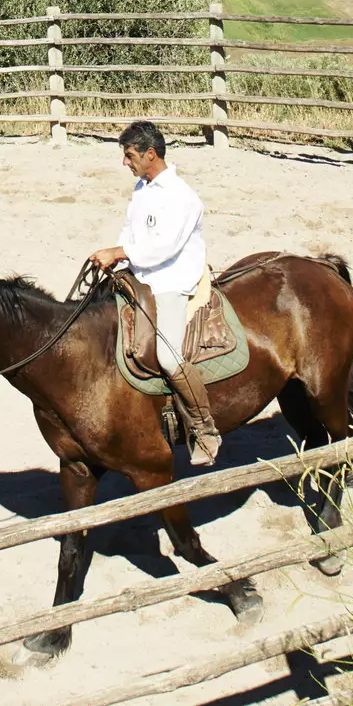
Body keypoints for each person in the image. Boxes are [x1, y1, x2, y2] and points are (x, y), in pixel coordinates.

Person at [90, 118, 221, 463]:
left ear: (150, 154)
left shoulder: (182, 197)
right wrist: (116, 258)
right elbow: (130, 232)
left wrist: (118, 253)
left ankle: (205, 428)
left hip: (171, 280)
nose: (125, 162)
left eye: (130, 155)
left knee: (167, 356)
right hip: (139, 272)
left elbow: (164, 248)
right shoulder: (142, 189)